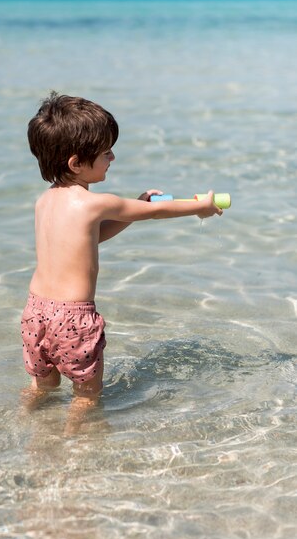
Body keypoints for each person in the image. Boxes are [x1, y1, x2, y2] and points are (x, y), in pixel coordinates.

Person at [21, 92, 222, 422]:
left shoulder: (44, 201)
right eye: (105, 153)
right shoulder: (94, 203)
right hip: (72, 317)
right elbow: (157, 212)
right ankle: (70, 446)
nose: (112, 157)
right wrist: (201, 206)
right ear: (76, 163)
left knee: (43, 385)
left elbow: (91, 238)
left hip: (35, 312)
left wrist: (135, 207)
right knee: (86, 396)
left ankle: (24, 425)